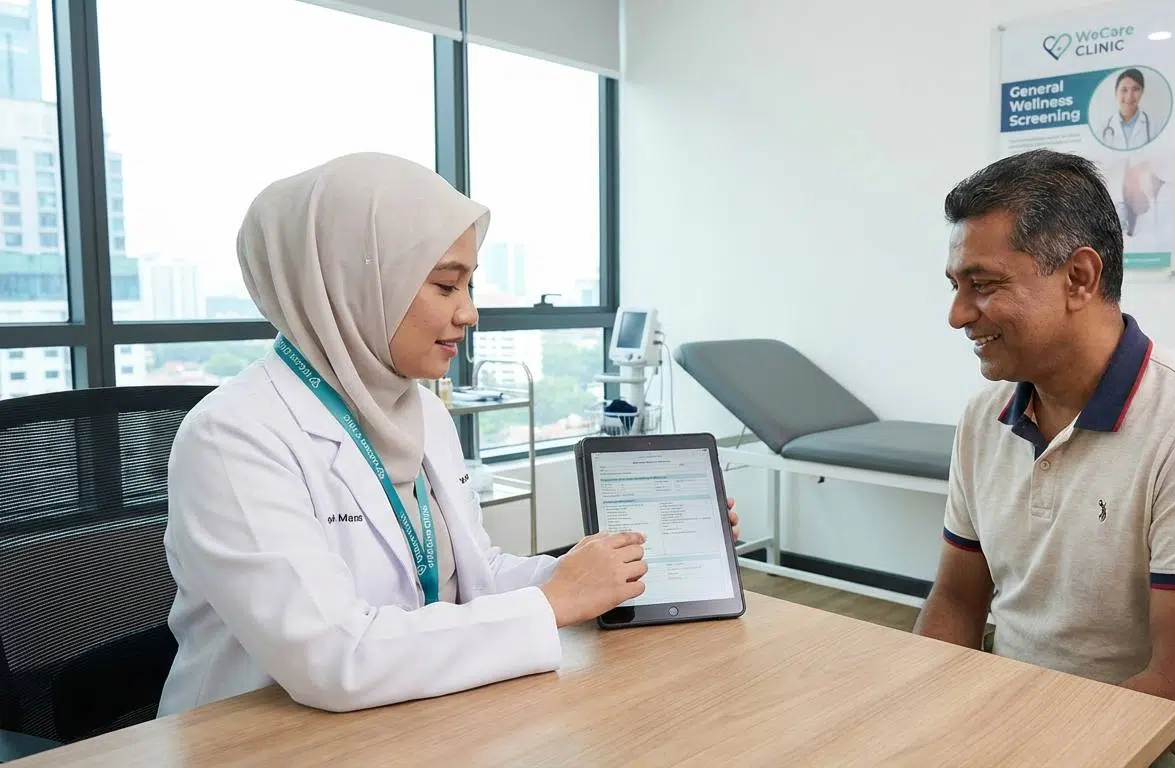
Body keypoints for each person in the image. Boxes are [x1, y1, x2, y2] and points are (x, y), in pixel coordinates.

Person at [157, 152, 739, 716]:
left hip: (404, 720)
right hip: (250, 738)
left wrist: (614, 563)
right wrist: (554, 601)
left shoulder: (421, 412)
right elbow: (335, 656)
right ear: (354, 285)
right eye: (445, 286)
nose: (469, 314)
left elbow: (474, 576)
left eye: (470, 286)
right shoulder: (232, 437)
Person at [915, 149, 1175, 768]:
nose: (956, 316)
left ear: (1080, 278)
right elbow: (954, 602)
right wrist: (920, 715)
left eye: (983, 285)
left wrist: (1018, 748)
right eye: (955, 287)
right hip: (1015, 712)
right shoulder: (984, 417)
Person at [1099, 68, 1153, 150]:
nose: (1129, 96)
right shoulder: (1102, 128)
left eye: (1136, 89)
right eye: (1124, 90)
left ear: (1142, 92)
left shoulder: (1154, 126)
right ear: (1116, 93)